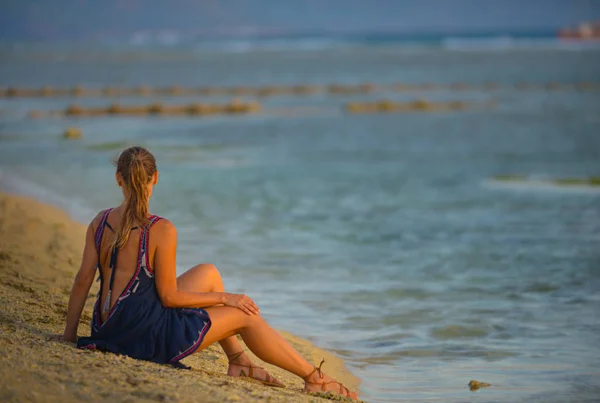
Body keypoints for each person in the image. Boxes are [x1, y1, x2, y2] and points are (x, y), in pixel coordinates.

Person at [57, 146, 357, 400]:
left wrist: (70, 335)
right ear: (156, 179)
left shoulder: (100, 222)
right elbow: (169, 297)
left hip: (108, 327)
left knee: (208, 272)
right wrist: (227, 299)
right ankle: (313, 377)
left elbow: (83, 280)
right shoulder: (160, 228)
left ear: (118, 180)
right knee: (244, 315)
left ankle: (238, 360)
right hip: (142, 338)